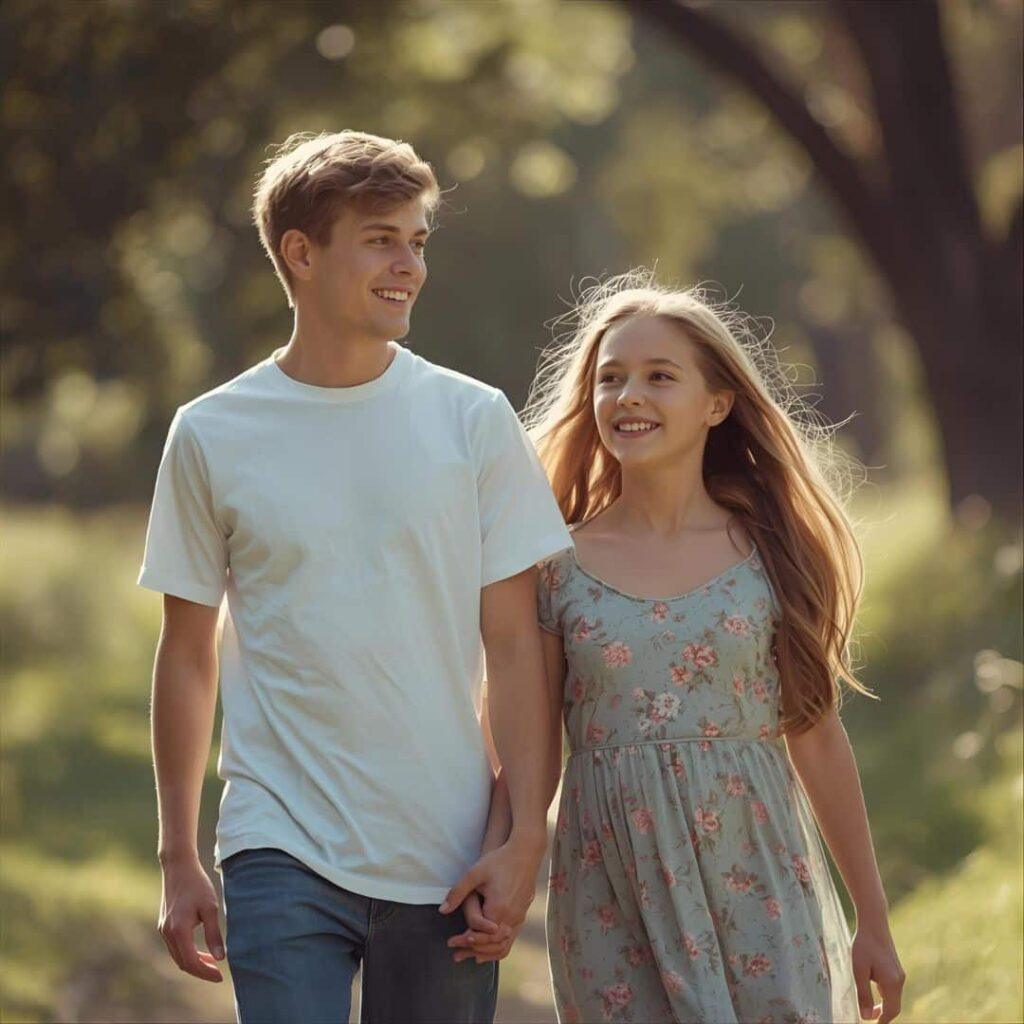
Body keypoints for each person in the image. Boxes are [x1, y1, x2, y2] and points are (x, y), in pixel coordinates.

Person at [137, 129, 571, 1023]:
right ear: (302, 252)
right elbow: (187, 655)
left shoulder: (474, 421)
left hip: (447, 853)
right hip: (276, 839)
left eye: (417, 241)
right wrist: (179, 853)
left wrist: (525, 835)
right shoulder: (212, 433)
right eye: (381, 237)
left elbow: (517, 647)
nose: (408, 264)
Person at [453, 272, 906, 1021]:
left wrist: (874, 921)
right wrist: (505, 856)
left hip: (756, 876)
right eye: (610, 378)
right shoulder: (556, 567)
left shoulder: (770, 554)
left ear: (717, 405)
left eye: (660, 377)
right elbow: (524, 748)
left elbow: (817, 734)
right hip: (610, 889)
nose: (628, 396)